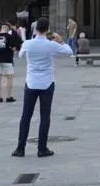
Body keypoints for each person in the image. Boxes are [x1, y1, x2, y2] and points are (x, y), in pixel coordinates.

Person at [11, 17, 74, 158]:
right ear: (47, 29)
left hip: (31, 82)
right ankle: (42, 148)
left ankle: (20, 148)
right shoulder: (51, 45)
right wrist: (60, 40)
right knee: (44, 116)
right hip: (46, 83)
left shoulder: (28, 43)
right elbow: (69, 51)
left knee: (26, 116)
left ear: (36, 28)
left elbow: (21, 56)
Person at [0, 23, 22, 103]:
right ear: (8, 29)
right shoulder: (9, 36)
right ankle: (9, 96)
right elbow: (14, 48)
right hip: (7, 59)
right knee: (9, 78)